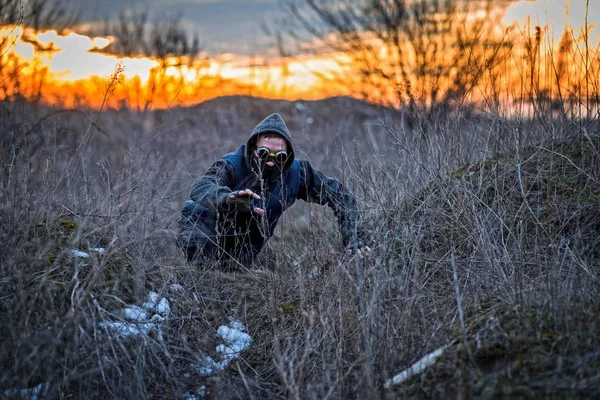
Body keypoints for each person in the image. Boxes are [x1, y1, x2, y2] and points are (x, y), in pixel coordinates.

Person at [177, 113, 369, 269]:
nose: (270, 161)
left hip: (247, 246)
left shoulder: (296, 173)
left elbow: (339, 195)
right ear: (253, 149)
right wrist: (228, 198)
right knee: (203, 272)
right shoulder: (232, 165)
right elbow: (201, 187)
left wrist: (353, 238)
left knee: (235, 277)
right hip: (206, 232)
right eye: (263, 153)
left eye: (279, 155)